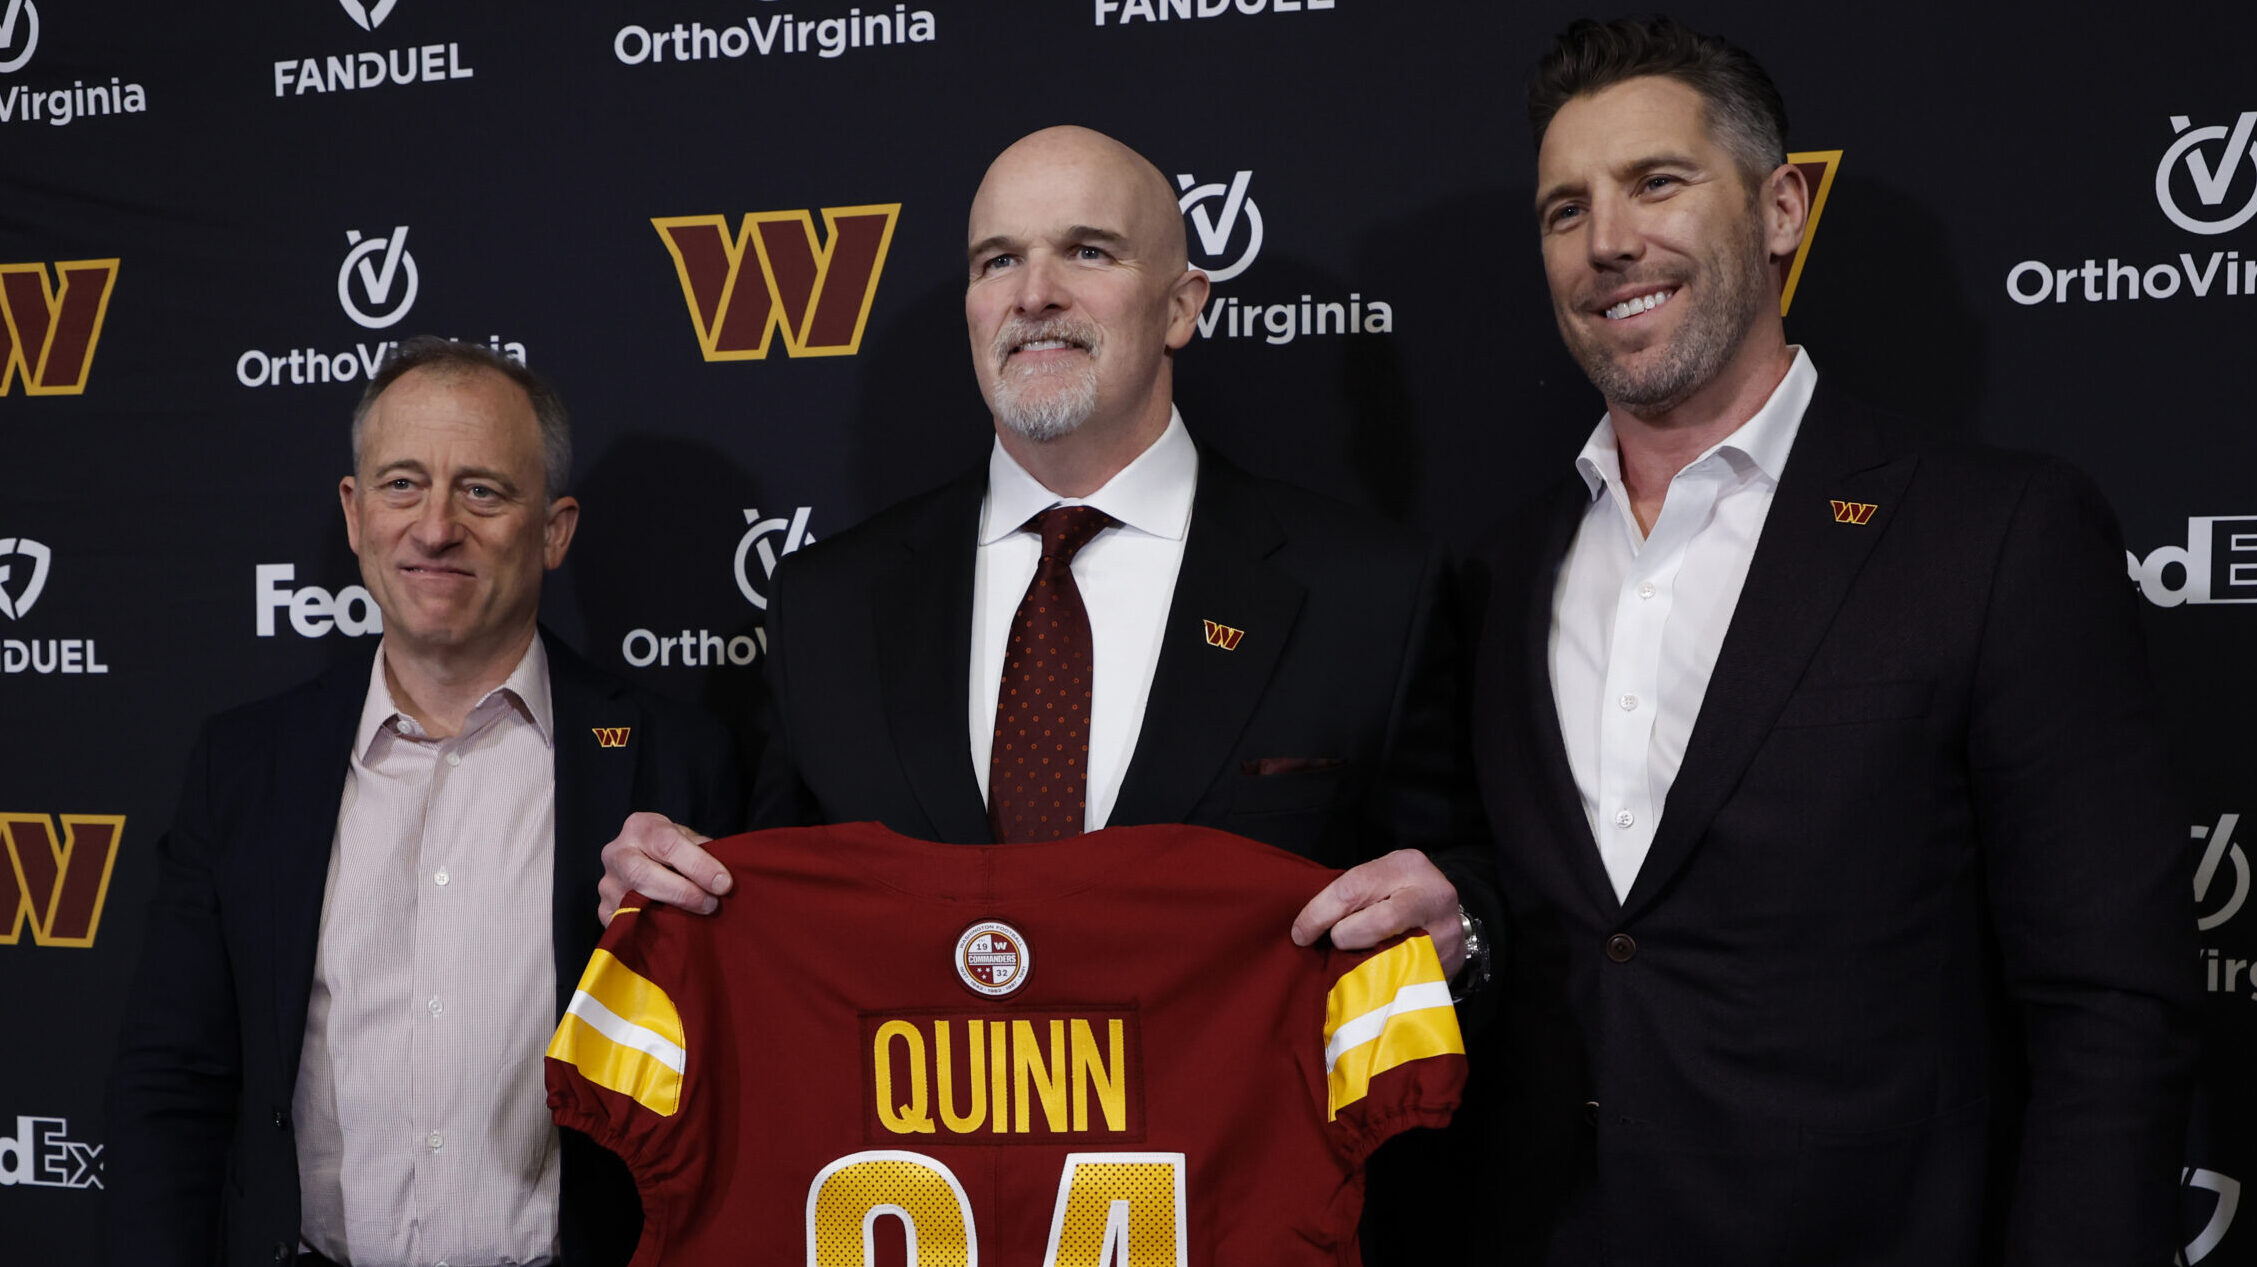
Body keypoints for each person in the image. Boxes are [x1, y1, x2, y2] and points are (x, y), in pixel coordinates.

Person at [1467, 16, 2198, 1264]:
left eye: (1657, 181)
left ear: (1780, 210)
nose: (1607, 242)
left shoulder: (1997, 533)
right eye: (1562, 209)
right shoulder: (1498, 566)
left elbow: (2109, 1008)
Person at [598, 125, 1492, 987]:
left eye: (1088, 252)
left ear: (1181, 305)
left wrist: (1464, 937)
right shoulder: (824, 606)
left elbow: (1462, 891)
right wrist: (682, 899)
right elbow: (775, 924)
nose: (1035, 294)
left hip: (1236, 1139)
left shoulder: (1368, 593)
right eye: (998, 260)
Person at [103, 338, 743, 1267]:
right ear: (355, 515)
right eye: (402, 485)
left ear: (555, 529)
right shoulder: (242, 765)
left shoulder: (679, 762)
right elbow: (172, 1082)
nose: (435, 526)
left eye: (482, 491)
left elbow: (733, 1084)